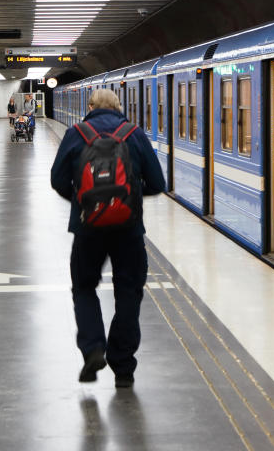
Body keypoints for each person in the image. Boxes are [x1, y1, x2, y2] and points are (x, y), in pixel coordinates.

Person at [50, 88, 165, 389]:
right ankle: (123, 368)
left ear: (89, 107)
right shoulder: (134, 134)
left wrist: (84, 203)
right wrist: (128, 199)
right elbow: (157, 182)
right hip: (129, 230)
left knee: (84, 288)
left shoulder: (78, 133)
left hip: (88, 229)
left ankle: (93, 348)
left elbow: (58, 180)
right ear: (118, 106)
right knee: (129, 292)